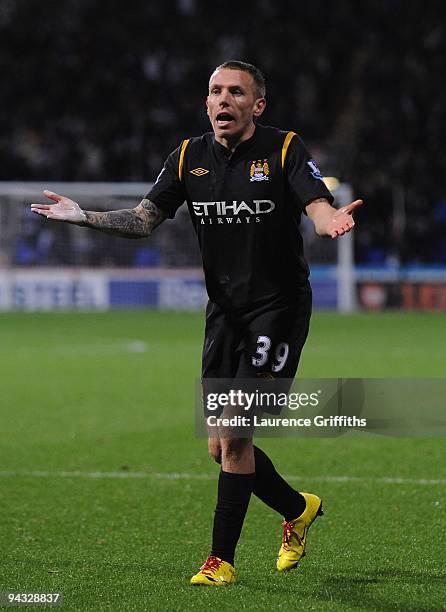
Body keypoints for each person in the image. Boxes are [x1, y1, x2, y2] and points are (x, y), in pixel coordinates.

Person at [31, 60, 363, 586]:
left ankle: (220, 561)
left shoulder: (284, 148)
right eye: (215, 91)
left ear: (258, 105)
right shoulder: (188, 157)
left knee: (233, 432)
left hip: (277, 310)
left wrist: (330, 222)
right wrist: (84, 216)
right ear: (206, 103)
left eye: (236, 92)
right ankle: (297, 508)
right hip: (224, 314)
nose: (224, 99)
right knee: (222, 446)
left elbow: (317, 203)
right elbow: (143, 219)